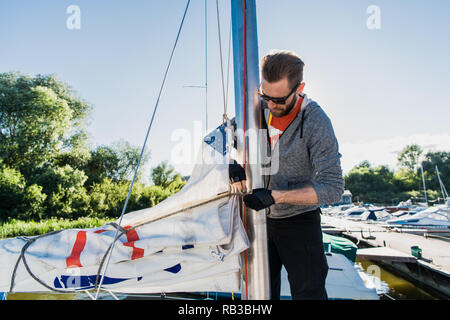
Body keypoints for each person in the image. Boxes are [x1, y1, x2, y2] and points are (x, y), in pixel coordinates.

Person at [230, 50, 344, 300]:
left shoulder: (316, 121)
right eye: (265, 96)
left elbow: (333, 188)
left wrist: (277, 196)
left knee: (309, 294)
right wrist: (231, 162)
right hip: (257, 220)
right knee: (259, 295)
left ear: (299, 88)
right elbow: (220, 141)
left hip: (299, 222)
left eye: (279, 100)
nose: (271, 105)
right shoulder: (255, 109)